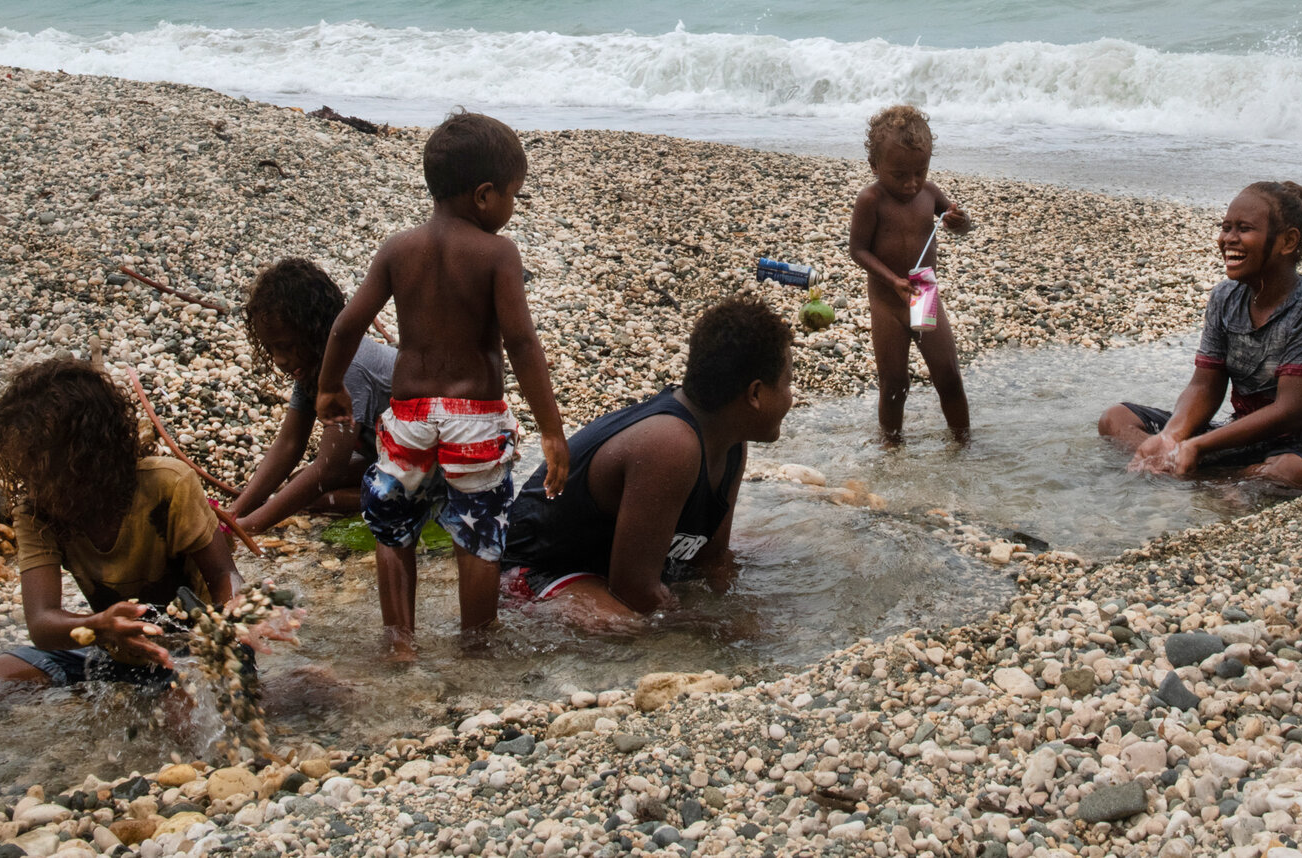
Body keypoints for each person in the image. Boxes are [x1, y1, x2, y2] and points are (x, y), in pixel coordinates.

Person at [315, 110, 568, 653]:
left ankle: (400, 641)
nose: (512, 206)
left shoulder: (398, 249)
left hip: (406, 419)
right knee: (478, 538)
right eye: (513, 195)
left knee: (393, 528)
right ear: (483, 196)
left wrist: (328, 385)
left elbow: (346, 324)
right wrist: (551, 430)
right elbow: (522, 345)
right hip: (474, 422)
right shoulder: (497, 253)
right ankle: (475, 644)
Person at [0, 356, 237, 692]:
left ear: (92, 462)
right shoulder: (36, 511)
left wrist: (236, 618)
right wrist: (98, 627)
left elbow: (224, 578)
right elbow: (41, 621)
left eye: (46, 478)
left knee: (178, 716)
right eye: (27, 477)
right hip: (110, 650)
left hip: (191, 652)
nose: (35, 491)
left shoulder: (168, 485)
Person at [500, 297, 794, 620]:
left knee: (768, 552)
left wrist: (745, 608)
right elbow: (635, 593)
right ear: (754, 394)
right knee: (625, 624)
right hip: (535, 567)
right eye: (788, 383)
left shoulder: (732, 442)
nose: (791, 397)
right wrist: (717, 625)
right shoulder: (671, 446)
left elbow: (711, 558)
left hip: (606, 565)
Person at [1098, 180, 1302, 489]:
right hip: (1244, 439)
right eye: (1226, 227)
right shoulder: (1226, 297)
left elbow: (1290, 412)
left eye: (1244, 229)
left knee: (1290, 473)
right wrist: (1172, 437)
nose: (1227, 239)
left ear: (1287, 242)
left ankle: (1204, 473)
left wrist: (1200, 446)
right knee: (1115, 419)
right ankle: (1216, 475)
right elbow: (1204, 386)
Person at [228, 257, 397, 532]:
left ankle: (421, 502)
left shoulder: (349, 367)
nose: (280, 359)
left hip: (434, 462)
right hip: (385, 454)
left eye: (286, 346)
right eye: (271, 349)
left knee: (316, 495)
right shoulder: (310, 366)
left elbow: (329, 468)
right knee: (298, 482)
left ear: (316, 332)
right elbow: (289, 444)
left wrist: (251, 526)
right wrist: (235, 513)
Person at [847, 103, 973, 442]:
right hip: (888, 301)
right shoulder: (871, 200)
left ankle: (963, 443)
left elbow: (958, 223)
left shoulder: (929, 194)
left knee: (948, 375)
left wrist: (961, 221)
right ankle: (892, 447)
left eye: (920, 171)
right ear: (875, 165)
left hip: (923, 292)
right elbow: (857, 250)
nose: (911, 184)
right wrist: (892, 281)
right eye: (900, 175)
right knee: (894, 384)